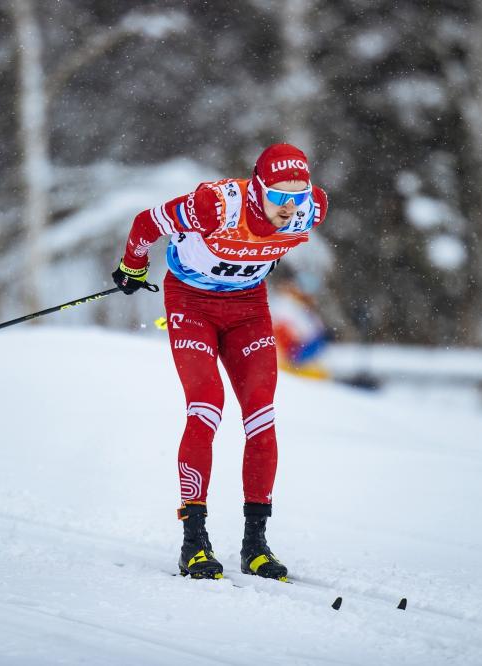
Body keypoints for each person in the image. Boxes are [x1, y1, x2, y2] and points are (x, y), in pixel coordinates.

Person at [112, 143, 328, 581]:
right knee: (206, 407)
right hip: (191, 304)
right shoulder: (216, 206)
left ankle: (256, 545)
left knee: (261, 419)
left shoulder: (313, 209)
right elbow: (146, 223)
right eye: (279, 197)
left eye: (298, 197)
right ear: (257, 189)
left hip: (248, 310)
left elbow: (297, 221)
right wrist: (133, 266)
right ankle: (194, 542)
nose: (290, 209)